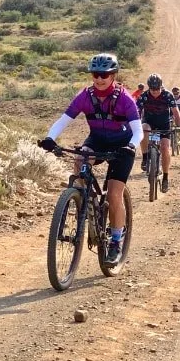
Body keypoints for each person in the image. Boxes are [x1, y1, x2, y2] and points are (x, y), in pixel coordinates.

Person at [38, 53, 142, 264]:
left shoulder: (124, 99)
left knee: (114, 193)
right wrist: (50, 137)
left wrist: (131, 146)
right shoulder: (85, 96)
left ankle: (115, 241)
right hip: (97, 140)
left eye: (104, 74)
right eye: (96, 74)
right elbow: (64, 119)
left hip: (122, 145)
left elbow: (138, 131)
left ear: (113, 75)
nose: (99, 79)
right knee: (80, 161)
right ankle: (81, 200)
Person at [137, 74, 180, 193]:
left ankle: (166, 177)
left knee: (165, 148)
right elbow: (137, 111)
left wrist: (178, 125)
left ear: (161, 87)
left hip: (164, 124)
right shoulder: (144, 96)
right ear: (149, 88)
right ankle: (146, 157)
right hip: (149, 122)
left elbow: (175, 111)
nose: (155, 92)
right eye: (153, 89)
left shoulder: (167, 95)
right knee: (143, 128)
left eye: (157, 89)